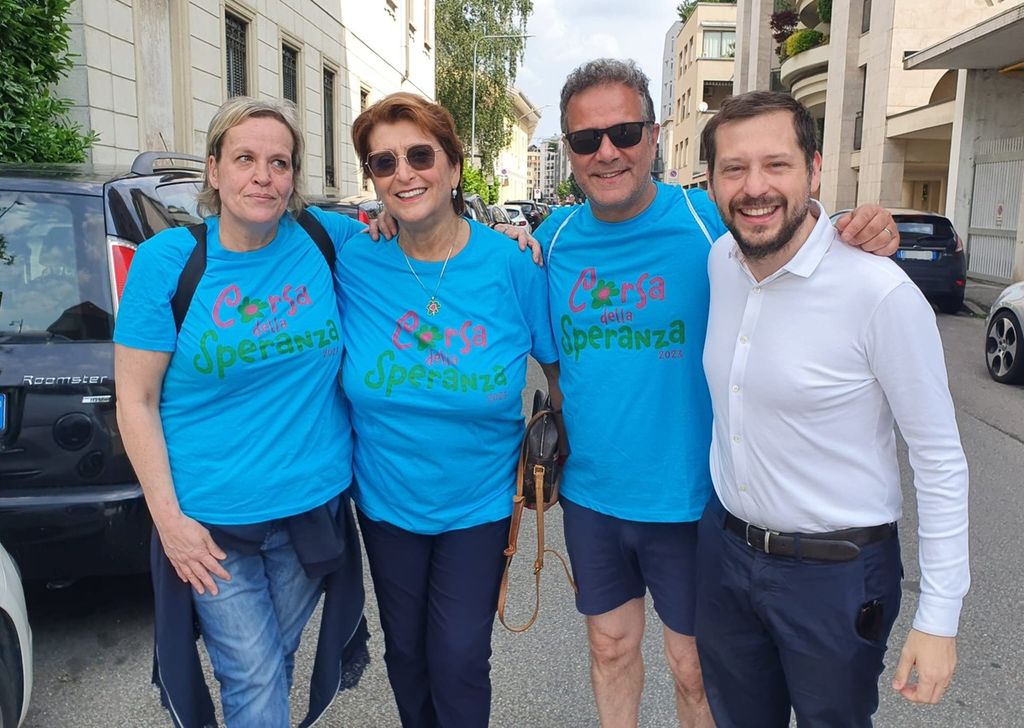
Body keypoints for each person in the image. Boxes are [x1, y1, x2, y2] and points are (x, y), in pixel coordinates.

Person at [532, 58, 900, 728]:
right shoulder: (549, 242)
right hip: (593, 496)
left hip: (694, 500)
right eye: (586, 139)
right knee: (609, 648)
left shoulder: (711, 222)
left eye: (624, 132)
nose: (607, 152)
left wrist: (857, 224)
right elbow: (548, 362)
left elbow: (789, 226)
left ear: (654, 135)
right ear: (570, 150)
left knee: (694, 669)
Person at [695, 90, 970, 726]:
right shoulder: (720, 262)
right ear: (710, 182)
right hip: (728, 554)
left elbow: (938, 457)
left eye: (777, 164)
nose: (754, 187)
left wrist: (939, 617)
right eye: (734, 168)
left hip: (836, 575)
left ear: (814, 170)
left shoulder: (878, 291)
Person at [114, 97, 369, 728]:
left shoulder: (325, 239)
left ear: (294, 175)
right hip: (212, 525)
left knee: (271, 664)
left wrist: (508, 241)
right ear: (214, 169)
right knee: (253, 674)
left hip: (310, 511)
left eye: (279, 163)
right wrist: (169, 522)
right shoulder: (169, 262)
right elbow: (136, 401)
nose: (263, 177)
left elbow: (420, 245)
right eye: (245, 159)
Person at [337, 92, 560, 728]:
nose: (404, 173)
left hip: (478, 504)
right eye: (384, 163)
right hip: (386, 501)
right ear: (373, 179)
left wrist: (563, 454)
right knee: (407, 654)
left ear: (454, 167)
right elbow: (275, 222)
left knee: (459, 657)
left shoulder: (510, 263)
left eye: (420, 155)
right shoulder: (353, 258)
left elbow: (555, 372)